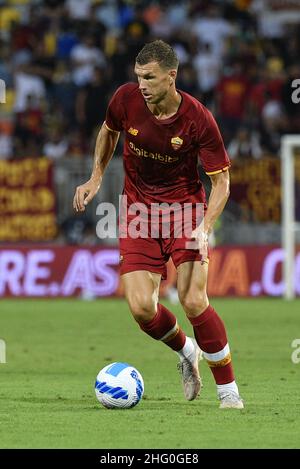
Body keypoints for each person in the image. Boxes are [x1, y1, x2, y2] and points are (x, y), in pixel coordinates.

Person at [73, 40, 244, 409]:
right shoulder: (125, 99)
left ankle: (229, 392)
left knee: (194, 300)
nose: (143, 85)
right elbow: (108, 131)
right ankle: (186, 351)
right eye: (138, 78)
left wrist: (206, 225)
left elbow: (222, 182)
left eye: (149, 78)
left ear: (171, 76)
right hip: (138, 212)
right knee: (140, 308)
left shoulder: (198, 119)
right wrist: (95, 177)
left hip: (185, 211)